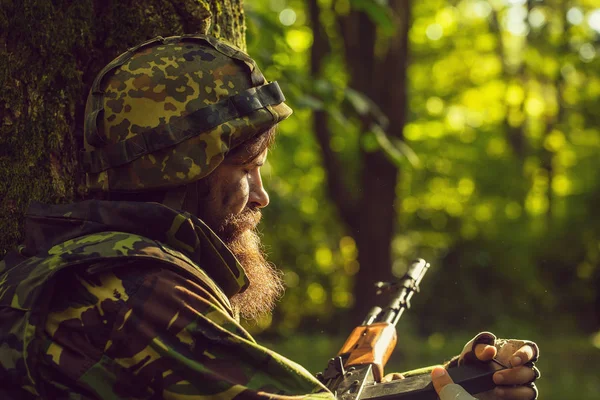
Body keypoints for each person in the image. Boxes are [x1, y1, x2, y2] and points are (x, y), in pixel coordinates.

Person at [0, 34, 540, 400]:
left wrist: (446, 382)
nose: (261, 197)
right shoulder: (138, 291)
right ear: (186, 171)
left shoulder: (88, 264)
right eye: (246, 168)